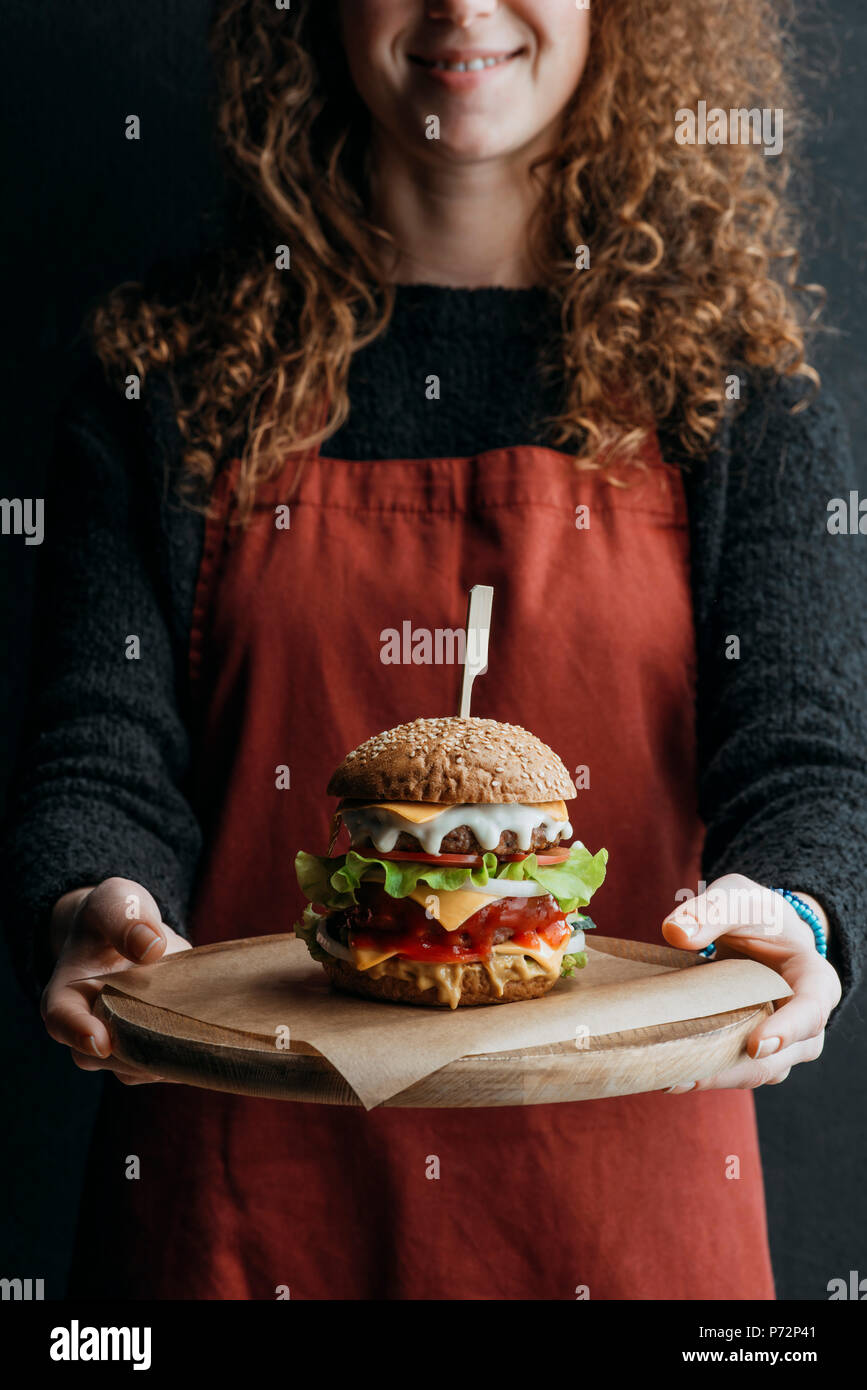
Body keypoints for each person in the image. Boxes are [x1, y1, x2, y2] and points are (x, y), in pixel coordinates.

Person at [3, 0, 864, 1300]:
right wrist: (90, 895)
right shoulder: (168, 376)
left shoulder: (738, 389)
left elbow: (806, 762)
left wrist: (791, 902)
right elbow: (100, 753)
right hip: (238, 1208)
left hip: (632, 1219)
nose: (464, 6)